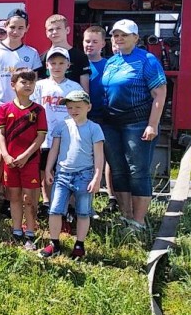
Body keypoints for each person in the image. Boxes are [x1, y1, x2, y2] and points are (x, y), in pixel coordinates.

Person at [101, 19, 167, 224]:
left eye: (124, 35)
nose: (119, 38)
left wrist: (152, 124)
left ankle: (138, 222)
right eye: (115, 35)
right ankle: (126, 216)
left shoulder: (147, 60)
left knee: (137, 172)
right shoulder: (112, 61)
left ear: (136, 38)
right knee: (118, 170)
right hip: (111, 124)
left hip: (137, 123)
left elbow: (159, 94)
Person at [0, 9, 43, 218]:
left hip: (23, 109)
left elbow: (35, 84)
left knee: (17, 153)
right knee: (0, 154)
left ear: (27, 29)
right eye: (12, 27)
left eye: (20, 28)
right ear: (5, 26)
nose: (15, 31)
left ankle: (9, 200)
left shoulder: (31, 53)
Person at [40, 90, 105, 259]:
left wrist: (97, 177)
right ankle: (54, 243)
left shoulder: (94, 128)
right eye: (69, 107)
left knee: (83, 211)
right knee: (55, 210)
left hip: (85, 175)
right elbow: (54, 149)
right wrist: (48, 169)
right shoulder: (62, 126)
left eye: (78, 107)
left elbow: (99, 156)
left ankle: (79, 245)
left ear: (88, 107)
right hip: (62, 174)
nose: (73, 110)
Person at [0, 68, 47, 249]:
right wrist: (5, 155)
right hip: (10, 161)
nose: (28, 85)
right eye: (23, 82)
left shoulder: (39, 110)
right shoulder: (4, 109)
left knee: (29, 198)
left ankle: (30, 231)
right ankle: (17, 230)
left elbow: (40, 137)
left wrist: (25, 156)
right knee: (14, 196)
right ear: (13, 85)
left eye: (31, 82)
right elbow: (0, 134)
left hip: (30, 161)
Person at [30, 47, 84, 211]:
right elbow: (33, 109)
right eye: (53, 63)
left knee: (67, 170)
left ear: (68, 65)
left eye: (61, 63)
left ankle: (69, 204)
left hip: (68, 137)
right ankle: (47, 201)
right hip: (45, 137)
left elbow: (81, 110)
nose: (57, 67)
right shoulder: (39, 85)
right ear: (47, 65)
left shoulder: (74, 87)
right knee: (45, 169)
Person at [82, 25, 117, 210]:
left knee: (110, 157)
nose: (90, 45)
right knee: (86, 160)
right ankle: (86, 202)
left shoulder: (110, 65)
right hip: (85, 117)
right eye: (87, 41)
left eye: (95, 41)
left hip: (106, 117)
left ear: (103, 44)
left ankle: (112, 198)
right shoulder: (78, 63)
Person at [43, 14, 90, 93]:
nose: (54, 32)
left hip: (72, 99)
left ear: (67, 30)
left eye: (58, 28)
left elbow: (85, 90)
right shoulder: (43, 57)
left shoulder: (80, 57)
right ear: (46, 33)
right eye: (51, 29)